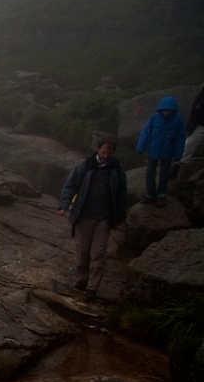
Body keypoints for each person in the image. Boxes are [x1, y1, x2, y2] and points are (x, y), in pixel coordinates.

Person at [57, 135, 128, 302]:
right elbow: (71, 185)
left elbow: (122, 195)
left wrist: (119, 216)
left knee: (100, 252)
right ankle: (83, 277)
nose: (105, 156)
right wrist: (64, 205)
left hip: (104, 218)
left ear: (113, 153)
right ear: (98, 149)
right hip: (84, 215)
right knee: (83, 251)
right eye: (103, 152)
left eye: (108, 153)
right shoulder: (86, 165)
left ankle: (92, 287)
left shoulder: (117, 169)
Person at [136, 95, 186, 207]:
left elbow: (181, 138)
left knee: (164, 174)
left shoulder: (178, 120)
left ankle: (161, 195)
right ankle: (150, 195)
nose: (166, 112)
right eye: (164, 110)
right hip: (153, 150)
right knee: (150, 173)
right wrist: (140, 146)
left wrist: (178, 154)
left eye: (169, 110)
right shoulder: (155, 117)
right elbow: (146, 132)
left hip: (167, 152)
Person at [179, 81, 204, 163]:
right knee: (189, 144)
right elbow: (195, 109)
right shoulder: (202, 94)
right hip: (201, 124)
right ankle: (179, 164)